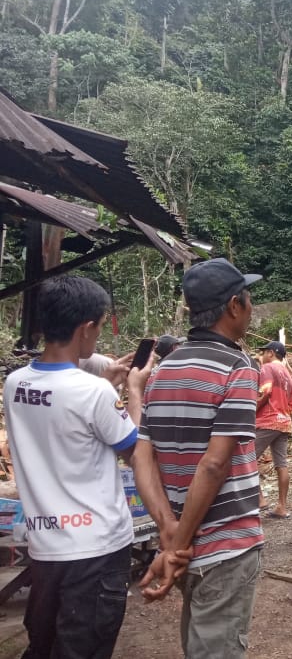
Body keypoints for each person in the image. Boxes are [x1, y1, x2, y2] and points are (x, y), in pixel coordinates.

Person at [1, 276, 147, 658]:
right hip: (95, 547)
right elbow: (134, 450)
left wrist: (104, 384)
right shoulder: (93, 392)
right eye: (99, 327)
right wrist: (133, 392)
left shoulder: (15, 384)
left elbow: (61, 412)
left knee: (43, 645)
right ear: (86, 329)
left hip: (45, 546)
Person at [130, 257, 265, 659]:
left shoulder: (163, 370)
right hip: (225, 544)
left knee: (198, 644)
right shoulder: (238, 368)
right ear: (233, 307)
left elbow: (142, 458)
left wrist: (169, 530)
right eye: (248, 298)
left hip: (182, 540)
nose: (251, 306)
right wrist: (179, 542)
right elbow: (214, 464)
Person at [255, 340, 292, 519]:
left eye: (264, 352)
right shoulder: (288, 375)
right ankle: (282, 506)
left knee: (244, 458)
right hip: (284, 421)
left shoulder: (268, 368)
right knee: (281, 464)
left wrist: (251, 409)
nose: (262, 356)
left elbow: (264, 392)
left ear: (271, 353)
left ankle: (260, 499)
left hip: (267, 421)